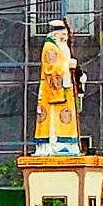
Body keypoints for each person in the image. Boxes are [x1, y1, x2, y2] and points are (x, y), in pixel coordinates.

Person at [34, 20, 81, 156]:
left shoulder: (62, 48)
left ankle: (68, 144)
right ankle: (55, 144)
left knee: (68, 116)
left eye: (66, 34)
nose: (65, 37)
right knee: (54, 118)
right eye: (63, 34)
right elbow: (51, 68)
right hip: (52, 92)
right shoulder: (50, 48)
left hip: (66, 89)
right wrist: (67, 66)